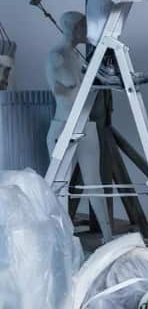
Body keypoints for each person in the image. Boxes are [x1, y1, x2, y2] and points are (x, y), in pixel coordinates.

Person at [45, 12, 112, 242]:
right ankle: (59, 240)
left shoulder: (76, 56)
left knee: (95, 183)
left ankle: (108, 235)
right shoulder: (57, 56)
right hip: (64, 126)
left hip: (85, 125)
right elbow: (67, 88)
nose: (87, 31)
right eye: (84, 27)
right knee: (58, 186)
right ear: (73, 29)